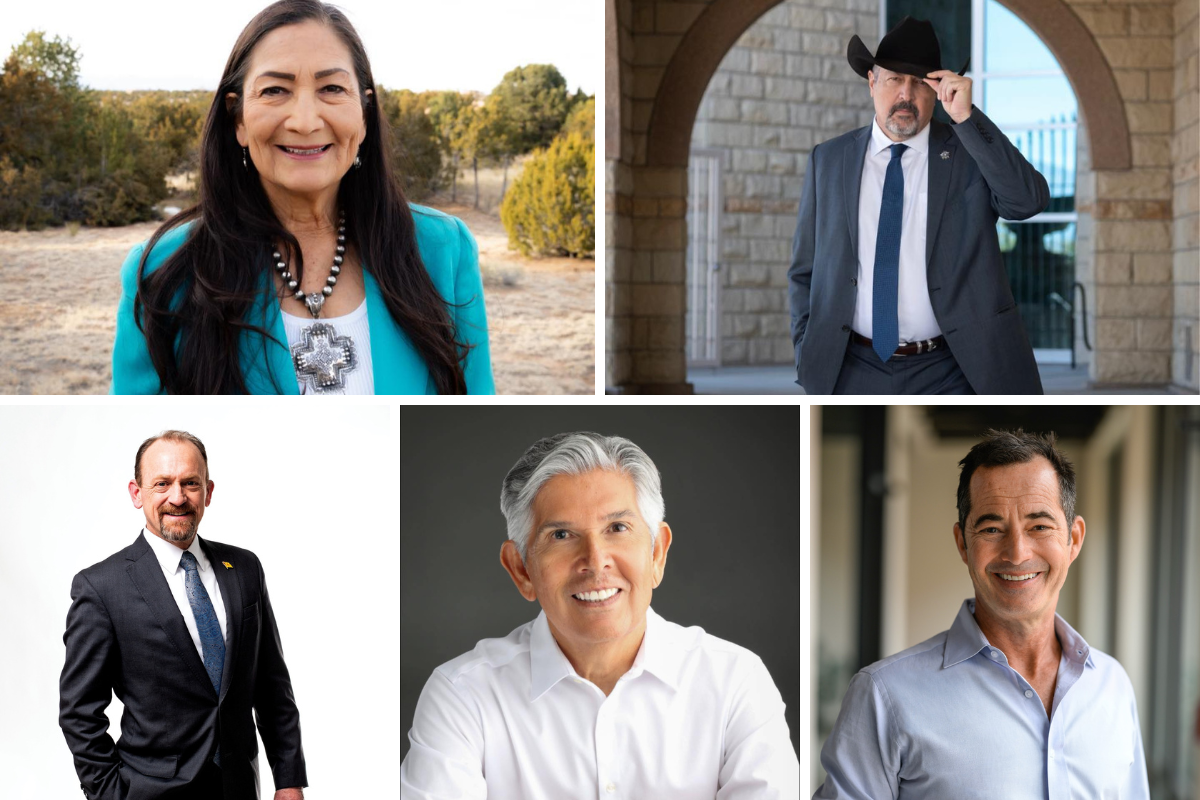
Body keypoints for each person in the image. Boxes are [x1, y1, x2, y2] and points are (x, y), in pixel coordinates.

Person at [111, 0, 493, 395]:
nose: (306, 121)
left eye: (332, 88)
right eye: (275, 90)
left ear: (364, 114)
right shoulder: (164, 272)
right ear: (238, 118)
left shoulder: (443, 250)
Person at [400, 432, 800, 799]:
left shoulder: (736, 683)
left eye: (618, 528)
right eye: (561, 535)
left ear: (657, 553)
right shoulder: (462, 695)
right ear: (521, 569)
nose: (595, 562)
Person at [815, 429, 1149, 798]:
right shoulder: (883, 696)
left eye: (1039, 526)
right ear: (963, 544)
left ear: (1074, 539)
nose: (1017, 553)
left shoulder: (1112, 686)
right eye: (992, 528)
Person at [788, 16, 1049, 395]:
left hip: (955, 369)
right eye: (894, 79)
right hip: (851, 369)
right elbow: (804, 269)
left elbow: (1027, 201)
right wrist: (805, 346)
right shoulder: (828, 159)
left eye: (920, 83)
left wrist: (966, 117)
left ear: (938, 90)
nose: (906, 95)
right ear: (872, 81)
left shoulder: (968, 152)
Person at [59, 431, 307, 799]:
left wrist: (288, 781)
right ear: (136, 493)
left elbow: (272, 686)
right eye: (162, 483)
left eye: (190, 483)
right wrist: (110, 794)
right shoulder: (101, 588)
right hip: (150, 791)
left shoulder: (244, 568)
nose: (178, 497)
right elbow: (79, 711)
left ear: (207, 492)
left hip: (239, 787)